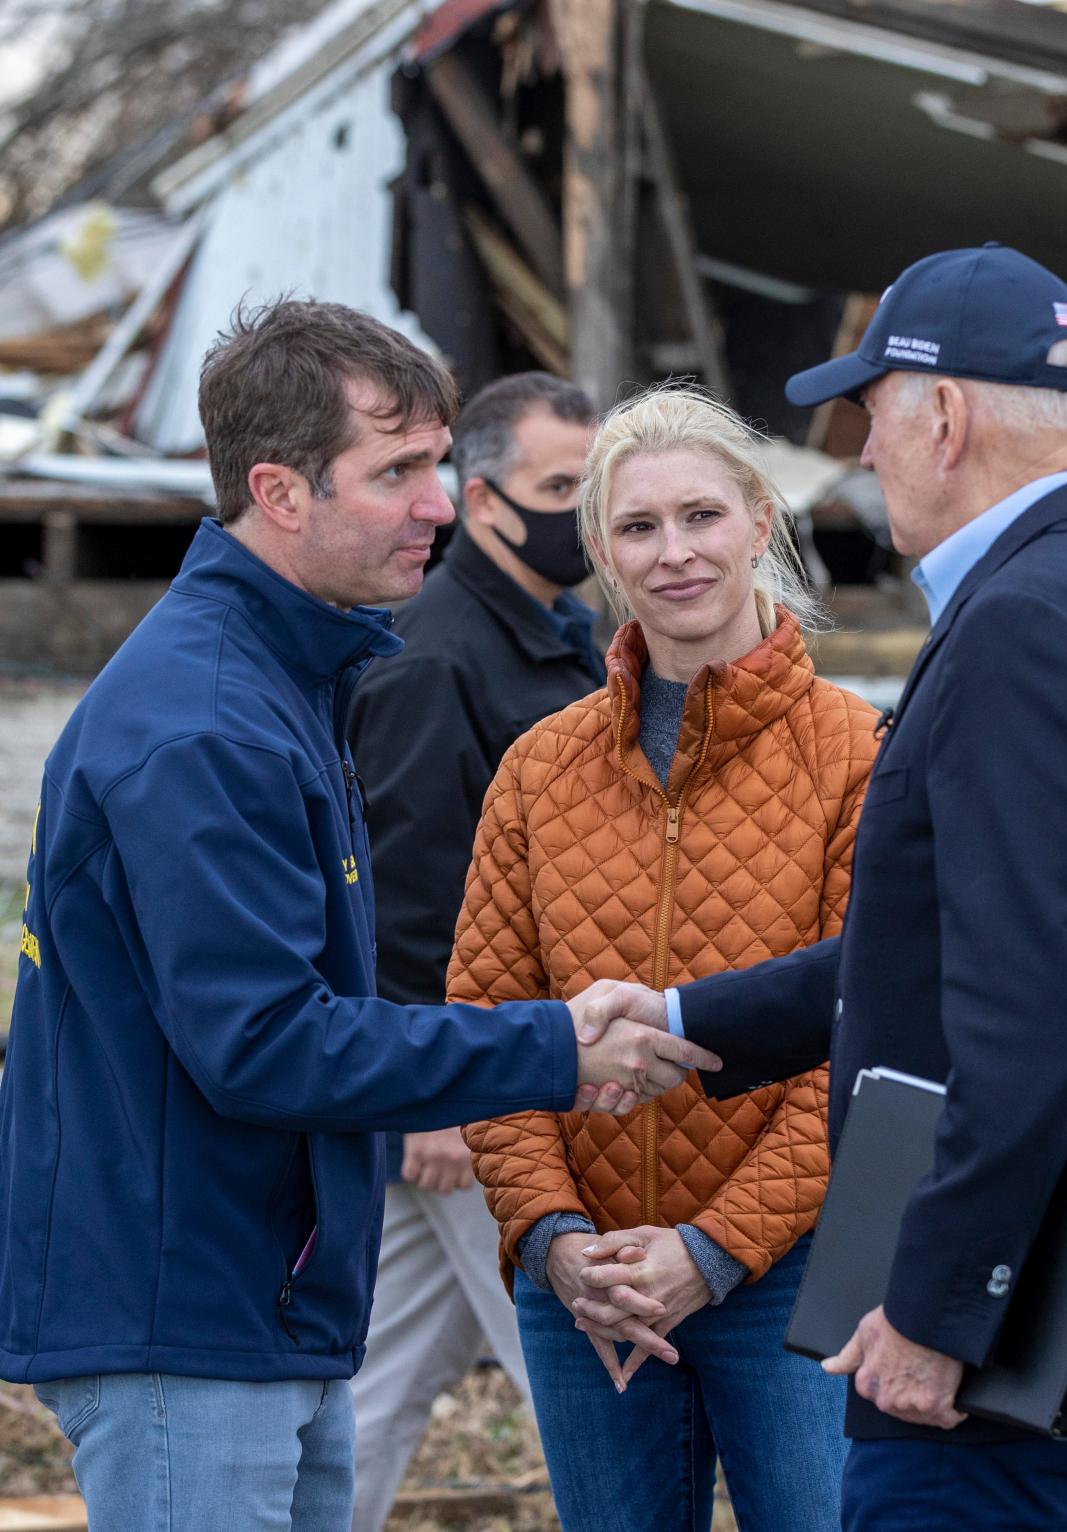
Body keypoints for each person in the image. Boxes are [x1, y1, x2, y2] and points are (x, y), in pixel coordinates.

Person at [0, 299, 718, 1532]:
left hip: (261, 1294)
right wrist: (554, 1047)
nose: (442, 503)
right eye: (398, 471)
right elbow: (266, 1040)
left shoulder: (291, 674)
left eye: (437, 462)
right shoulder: (206, 726)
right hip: (190, 1311)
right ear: (280, 491)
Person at [575, 246, 1067, 1531]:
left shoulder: (1021, 627)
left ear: (945, 413)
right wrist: (679, 1019)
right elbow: (944, 948)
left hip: (1006, 1337)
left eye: (874, 414)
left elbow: (1030, 1010)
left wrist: (941, 1311)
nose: (867, 454)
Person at [449, 386, 879, 1532]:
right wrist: (555, 1240)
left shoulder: (857, 754)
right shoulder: (539, 769)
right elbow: (490, 1024)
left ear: (758, 519)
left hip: (787, 1269)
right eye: (639, 527)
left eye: (701, 515)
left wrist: (713, 1248)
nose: (675, 551)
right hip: (586, 1283)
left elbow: (870, 1037)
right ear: (601, 550)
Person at [345, 371, 601, 1532]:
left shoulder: (565, 632)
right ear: (484, 501)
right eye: (563, 488)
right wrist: (430, 1096)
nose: (587, 511)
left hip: (530, 1058)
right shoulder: (434, 657)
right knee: (594, 1373)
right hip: (484, 1085)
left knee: (377, 1380)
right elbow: (408, 895)